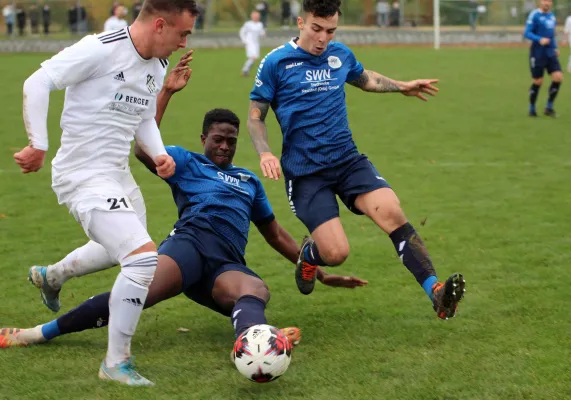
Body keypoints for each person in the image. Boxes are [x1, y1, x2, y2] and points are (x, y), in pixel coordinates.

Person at [1, 103, 367, 373]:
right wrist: (167, 93)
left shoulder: (248, 181)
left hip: (225, 264)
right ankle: (36, 334)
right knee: (132, 294)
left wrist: (316, 271)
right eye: (218, 139)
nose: (224, 146)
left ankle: (256, 339)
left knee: (256, 291)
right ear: (204, 138)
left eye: (231, 141)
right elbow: (144, 148)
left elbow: (274, 233)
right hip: (187, 248)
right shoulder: (186, 162)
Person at [13, 0, 199, 387]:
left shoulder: (158, 64)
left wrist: (160, 153)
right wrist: (38, 144)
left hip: (117, 176)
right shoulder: (100, 47)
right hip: (82, 176)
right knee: (143, 259)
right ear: (161, 25)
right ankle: (116, 363)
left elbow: (143, 117)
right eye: (183, 33)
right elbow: (38, 81)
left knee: (128, 247)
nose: (185, 42)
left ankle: (52, 276)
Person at [246, 0, 465, 320]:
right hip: (307, 174)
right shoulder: (276, 63)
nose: (323, 38)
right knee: (336, 253)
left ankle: (435, 291)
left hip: (348, 162)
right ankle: (309, 255)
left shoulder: (340, 55)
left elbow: (365, 78)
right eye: (316, 29)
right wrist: (265, 151)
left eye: (330, 31)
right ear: (300, 23)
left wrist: (401, 87)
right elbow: (255, 116)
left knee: (391, 211)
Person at [524, 0, 562, 117]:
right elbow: (527, 33)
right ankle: (532, 108)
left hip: (550, 52)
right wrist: (539, 39)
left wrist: (555, 47)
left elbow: (551, 35)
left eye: (549, 1)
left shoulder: (552, 16)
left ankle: (549, 108)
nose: (547, 3)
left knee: (558, 77)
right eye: (545, 1)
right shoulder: (534, 15)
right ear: (540, 2)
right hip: (537, 52)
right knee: (538, 81)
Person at [239, 11, 265, 77]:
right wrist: (244, 40)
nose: (256, 17)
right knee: (253, 57)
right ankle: (245, 70)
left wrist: (263, 35)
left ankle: (246, 71)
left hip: (256, 43)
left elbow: (262, 33)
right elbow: (242, 32)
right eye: (255, 16)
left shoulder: (260, 24)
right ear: (252, 17)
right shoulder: (248, 24)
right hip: (249, 43)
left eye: (257, 16)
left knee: (254, 58)